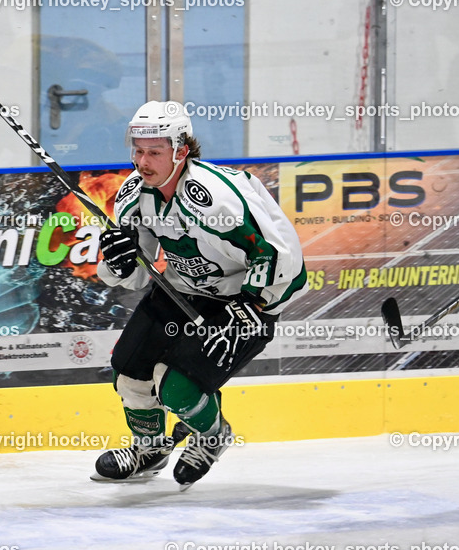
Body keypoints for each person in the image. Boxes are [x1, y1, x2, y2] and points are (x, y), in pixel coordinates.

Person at [91, 100, 307, 490]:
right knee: (129, 374)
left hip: (240, 302)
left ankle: (213, 436)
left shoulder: (218, 198)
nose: (143, 161)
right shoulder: (134, 194)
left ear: (181, 150)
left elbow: (279, 253)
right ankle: (150, 449)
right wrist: (119, 262)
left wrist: (254, 304)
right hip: (180, 291)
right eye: (138, 151)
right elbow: (137, 275)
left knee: (177, 388)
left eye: (154, 152)